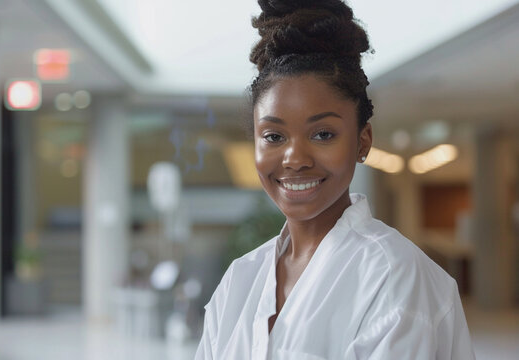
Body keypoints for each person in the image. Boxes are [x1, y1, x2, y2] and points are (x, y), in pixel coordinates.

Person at [195, 1, 475, 359]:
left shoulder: (395, 278)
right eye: (274, 136)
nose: (294, 159)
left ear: (363, 142)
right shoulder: (240, 279)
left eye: (323, 134)